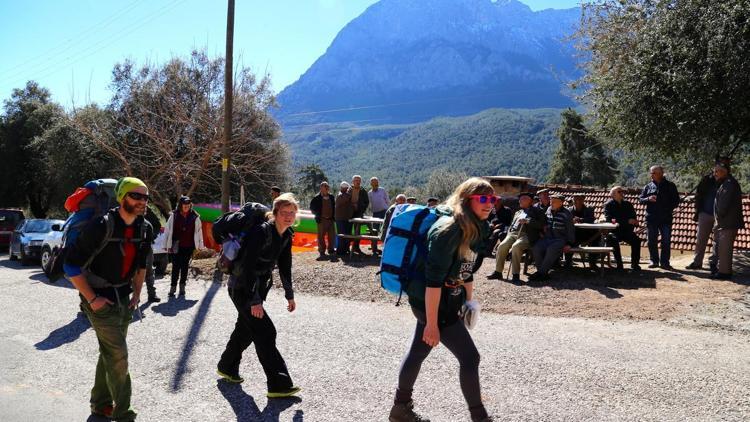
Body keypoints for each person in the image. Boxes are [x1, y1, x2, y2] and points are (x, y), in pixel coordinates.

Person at [389, 177, 494, 422]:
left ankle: (400, 409)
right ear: (467, 201)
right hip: (432, 299)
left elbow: (466, 270)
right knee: (470, 357)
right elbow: (432, 282)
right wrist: (432, 323)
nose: (489, 204)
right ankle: (479, 417)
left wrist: (469, 302)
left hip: (447, 298)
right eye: (483, 199)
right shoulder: (448, 230)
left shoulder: (476, 226)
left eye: (492, 199)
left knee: (418, 352)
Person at [64, 177, 154, 422]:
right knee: (118, 356)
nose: (142, 201)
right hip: (99, 300)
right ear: (122, 197)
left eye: (145, 197)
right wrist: (92, 299)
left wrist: (137, 293)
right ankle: (124, 414)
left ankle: (100, 405)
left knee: (110, 353)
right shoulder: (101, 226)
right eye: (136, 196)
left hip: (124, 298)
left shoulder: (144, 228)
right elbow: (70, 266)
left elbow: (141, 265)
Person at [217, 193, 301, 398]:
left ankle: (227, 366)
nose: (288, 216)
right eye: (284, 213)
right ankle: (278, 384)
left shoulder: (286, 234)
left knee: (245, 330)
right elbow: (246, 268)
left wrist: (289, 295)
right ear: (275, 213)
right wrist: (254, 300)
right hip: (242, 288)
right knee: (266, 331)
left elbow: (285, 266)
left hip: (257, 288)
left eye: (292, 213)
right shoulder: (260, 232)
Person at [487, 192, 545, 283]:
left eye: (523, 199)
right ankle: (498, 272)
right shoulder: (518, 212)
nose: (520, 201)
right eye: (520, 199)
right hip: (513, 234)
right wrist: (509, 232)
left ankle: (515, 275)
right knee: (502, 246)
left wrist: (528, 221)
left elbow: (541, 225)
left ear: (530, 200)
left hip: (527, 235)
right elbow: (512, 225)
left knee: (516, 246)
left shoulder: (538, 211)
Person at [709, 158, 745, 279]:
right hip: (726, 222)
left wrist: (718, 220)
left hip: (727, 223)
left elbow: (722, 206)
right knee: (722, 248)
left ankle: (724, 273)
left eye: (717, 172)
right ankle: (722, 270)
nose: (715, 174)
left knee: (725, 249)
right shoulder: (727, 183)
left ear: (724, 172)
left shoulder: (729, 184)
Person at [163, 196, 204, 297]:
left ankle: (182, 288)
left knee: (185, 267)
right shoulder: (174, 215)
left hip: (189, 246)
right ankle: (172, 288)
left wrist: (200, 245)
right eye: (184, 205)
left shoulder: (195, 216)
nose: (186, 207)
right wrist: (165, 245)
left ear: (190, 205)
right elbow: (167, 230)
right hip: (176, 245)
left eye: (188, 205)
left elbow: (199, 232)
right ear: (180, 205)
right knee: (175, 267)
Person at [639, 166, 680, 269]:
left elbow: (676, 201)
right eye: (651, 173)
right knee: (651, 240)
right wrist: (648, 198)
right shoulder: (648, 186)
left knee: (666, 241)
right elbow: (640, 200)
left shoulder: (670, 186)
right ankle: (654, 261)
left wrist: (666, 208)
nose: (651, 175)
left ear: (661, 174)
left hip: (665, 218)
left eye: (653, 173)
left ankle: (665, 263)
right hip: (651, 218)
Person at [530, 195, 575, 281]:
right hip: (547, 238)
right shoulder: (548, 210)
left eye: (554, 201)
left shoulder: (566, 213)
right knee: (536, 247)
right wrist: (544, 228)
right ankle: (542, 273)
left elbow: (570, 229)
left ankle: (540, 273)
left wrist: (569, 243)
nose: (551, 203)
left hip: (560, 239)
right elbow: (545, 221)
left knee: (551, 249)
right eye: (551, 200)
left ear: (561, 203)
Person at [686, 169, 720, 270]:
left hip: (719, 215)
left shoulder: (726, 182)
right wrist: (698, 211)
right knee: (700, 240)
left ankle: (714, 264)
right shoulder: (706, 180)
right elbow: (698, 194)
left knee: (717, 241)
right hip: (704, 213)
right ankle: (697, 262)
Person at [603, 187, 642, 271]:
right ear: (613, 195)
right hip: (614, 231)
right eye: (619, 191)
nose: (622, 193)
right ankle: (619, 265)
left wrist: (634, 221)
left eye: (622, 191)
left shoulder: (628, 204)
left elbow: (633, 216)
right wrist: (627, 221)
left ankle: (635, 264)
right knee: (613, 240)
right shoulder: (608, 205)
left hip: (626, 231)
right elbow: (609, 219)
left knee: (636, 240)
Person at [564, 193, 599, 268]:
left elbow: (591, 219)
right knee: (567, 239)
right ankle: (568, 261)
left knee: (596, 239)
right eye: (575, 199)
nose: (577, 201)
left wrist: (580, 220)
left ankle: (592, 262)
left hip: (587, 234)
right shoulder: (569, 210)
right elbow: (566, 221)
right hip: (575, 234)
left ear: (583, 200)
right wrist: (572, 221)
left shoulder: (589, 208)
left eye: (580, 199)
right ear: (573, 200)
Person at [309, 181, 336, 260]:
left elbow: (334, 206)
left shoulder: (331, 197)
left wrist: (334, 216)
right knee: (321, 236)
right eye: (324, 186)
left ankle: (331, 250)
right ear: (321, 188)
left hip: (330, 219)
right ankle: (322, 250)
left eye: (327, 187)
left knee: (332, 235)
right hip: (321, 219)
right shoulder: (316, 198)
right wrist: (317, 214)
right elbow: (312, 208)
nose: (326, 188)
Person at [143, 206, 162, 302]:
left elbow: (157, 225)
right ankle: (133, 298)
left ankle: (152, 294)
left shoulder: (148, 210)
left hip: (147, 246)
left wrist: (151, 237)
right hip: (132, 245)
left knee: (149, 270)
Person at [368, 177, 390, 254]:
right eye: (373, 182)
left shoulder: (382, 190)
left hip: (385, 212)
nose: (375, 183)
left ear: (378, 182)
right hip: (375, 213)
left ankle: (386, 248)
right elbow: (370, 204)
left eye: (376, 182)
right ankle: (374, 249)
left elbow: (387, 200)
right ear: (371, 184)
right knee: (374, 231)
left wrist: (387, 209)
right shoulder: (369, 193)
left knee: (386, 229)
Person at [349, 175, 370, 255]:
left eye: (358, 180)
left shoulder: (363, 191)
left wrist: (361, 209)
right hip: (349, 213)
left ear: (360, 182)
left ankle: (356, 248)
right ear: (353, 182)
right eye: (356, 180)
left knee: (357, 231)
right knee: (348, 231)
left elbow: (366, 202)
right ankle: (347, 248)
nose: (357, 182)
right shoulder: (349, 190)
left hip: (359, 213)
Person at [335, 181, 354, 256]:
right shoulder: (340, 195)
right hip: (340, 218)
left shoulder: (345, 195)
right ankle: (340, 251)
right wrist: (349, 193)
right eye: (345, 188)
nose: (346, 189)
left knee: (347, 234)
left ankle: (346, 249)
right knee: (341, 235)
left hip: (346, 218)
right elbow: (344, 199)